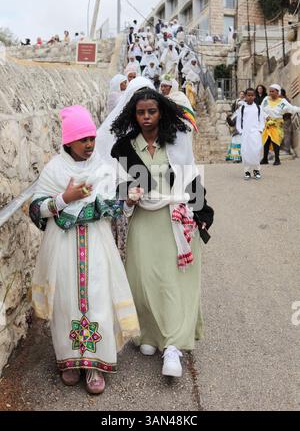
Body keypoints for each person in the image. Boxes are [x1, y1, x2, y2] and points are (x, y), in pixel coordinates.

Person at [29, 105, 140, 394]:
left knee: (97, 298)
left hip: (97, 245)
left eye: (92, 137)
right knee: (66, 300)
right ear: (68, 142)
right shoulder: (54, 169)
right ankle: (69, 361)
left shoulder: (103, 168)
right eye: (84, 139)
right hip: (62, 248)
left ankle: (93, 365)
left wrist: (127, 202)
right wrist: (64, 198)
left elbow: (112, 206)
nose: (90, 144)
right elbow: (37, 209)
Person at [110, 89, 214, 378]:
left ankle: (173, 346)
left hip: (176, 221)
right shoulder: (124, 148)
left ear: (161, 112)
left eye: (151, 112)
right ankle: (149, 336)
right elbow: (115, 187)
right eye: (140, 112)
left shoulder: (176, 142)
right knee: (143, 279)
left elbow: (191, 179)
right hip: (143, 220)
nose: (146, 118)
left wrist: (203, 213)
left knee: (172, 282)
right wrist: (128, 195)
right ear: (134, 114)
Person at [261, 84, 300, 166]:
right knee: (266, 141)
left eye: (273, 91)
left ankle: (277, 159)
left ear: (278, 92)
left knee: (276, 141)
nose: (271, 93)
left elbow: (291, 108)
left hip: (276, 124)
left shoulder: (282, 102)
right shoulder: (266, 100)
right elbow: (262, 109)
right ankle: (265, 158)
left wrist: (298, 109)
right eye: (270, 91)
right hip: (267, 123)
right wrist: (266, 117)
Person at [236, 88, 265, 180]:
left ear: (255, 96)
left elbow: (262, 120)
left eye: (252, 95)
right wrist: (241, 131)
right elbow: (238, 121)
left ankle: (256, 170)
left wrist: (260, 130)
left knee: (256, 151)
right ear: (245, 96)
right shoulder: (242, 108)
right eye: (248, 95)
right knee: (246, 152)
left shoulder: (258, 108)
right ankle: (247, 171)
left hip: (255, 133)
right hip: (245, 133)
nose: (250, 97)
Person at [280, 89, 294, 155]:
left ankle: (287, 150)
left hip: (286, 120)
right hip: (283, 120)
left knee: (286, 135)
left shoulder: (285, 101)